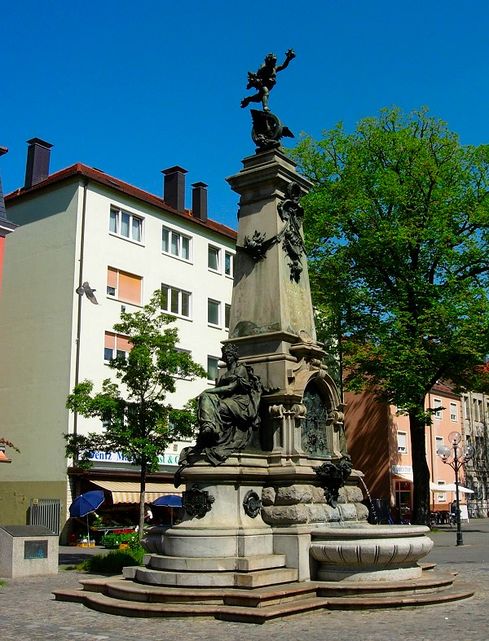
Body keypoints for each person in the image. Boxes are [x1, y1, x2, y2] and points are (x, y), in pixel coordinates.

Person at [175, 344, 262, 482]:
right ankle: (209, 427)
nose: (228, 357)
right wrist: (208, 395)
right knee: (207, 399)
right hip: (226, 400)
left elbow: (231, 388)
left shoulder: (241, 369)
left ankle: (210, 427)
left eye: (230, 355)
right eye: (226, 355)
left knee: (208, 397)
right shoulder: (225, 373)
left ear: (235, 356)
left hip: (240, 402)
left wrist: (208, 391)